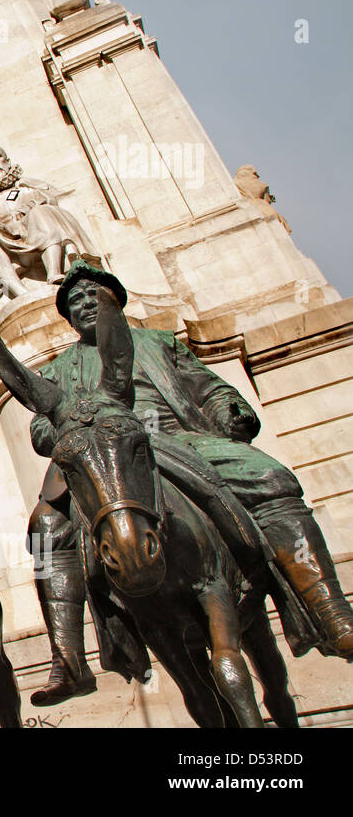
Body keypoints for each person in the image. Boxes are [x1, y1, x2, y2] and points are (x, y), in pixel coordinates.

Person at [25, 262, 353, 705]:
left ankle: (330, 613)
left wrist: (229, 410)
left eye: (92, 296)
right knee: (46, 529)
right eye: (73, 302)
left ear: (114, 303)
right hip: (100, 456)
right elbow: (41, 433)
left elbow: (208, 389)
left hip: (178, 440)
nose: (83, 305)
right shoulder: (58, 368)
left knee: (270, 478)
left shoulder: (157, 342)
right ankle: (68, 660)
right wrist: (70, 421)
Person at [0, 145, 95, 301]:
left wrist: (32, 192)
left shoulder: (30, 187)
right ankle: (21, 293)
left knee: (40, 211)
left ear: (7, 161)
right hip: (7, 248)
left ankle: (54, 272)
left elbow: (57, 200)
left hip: (38, 236)